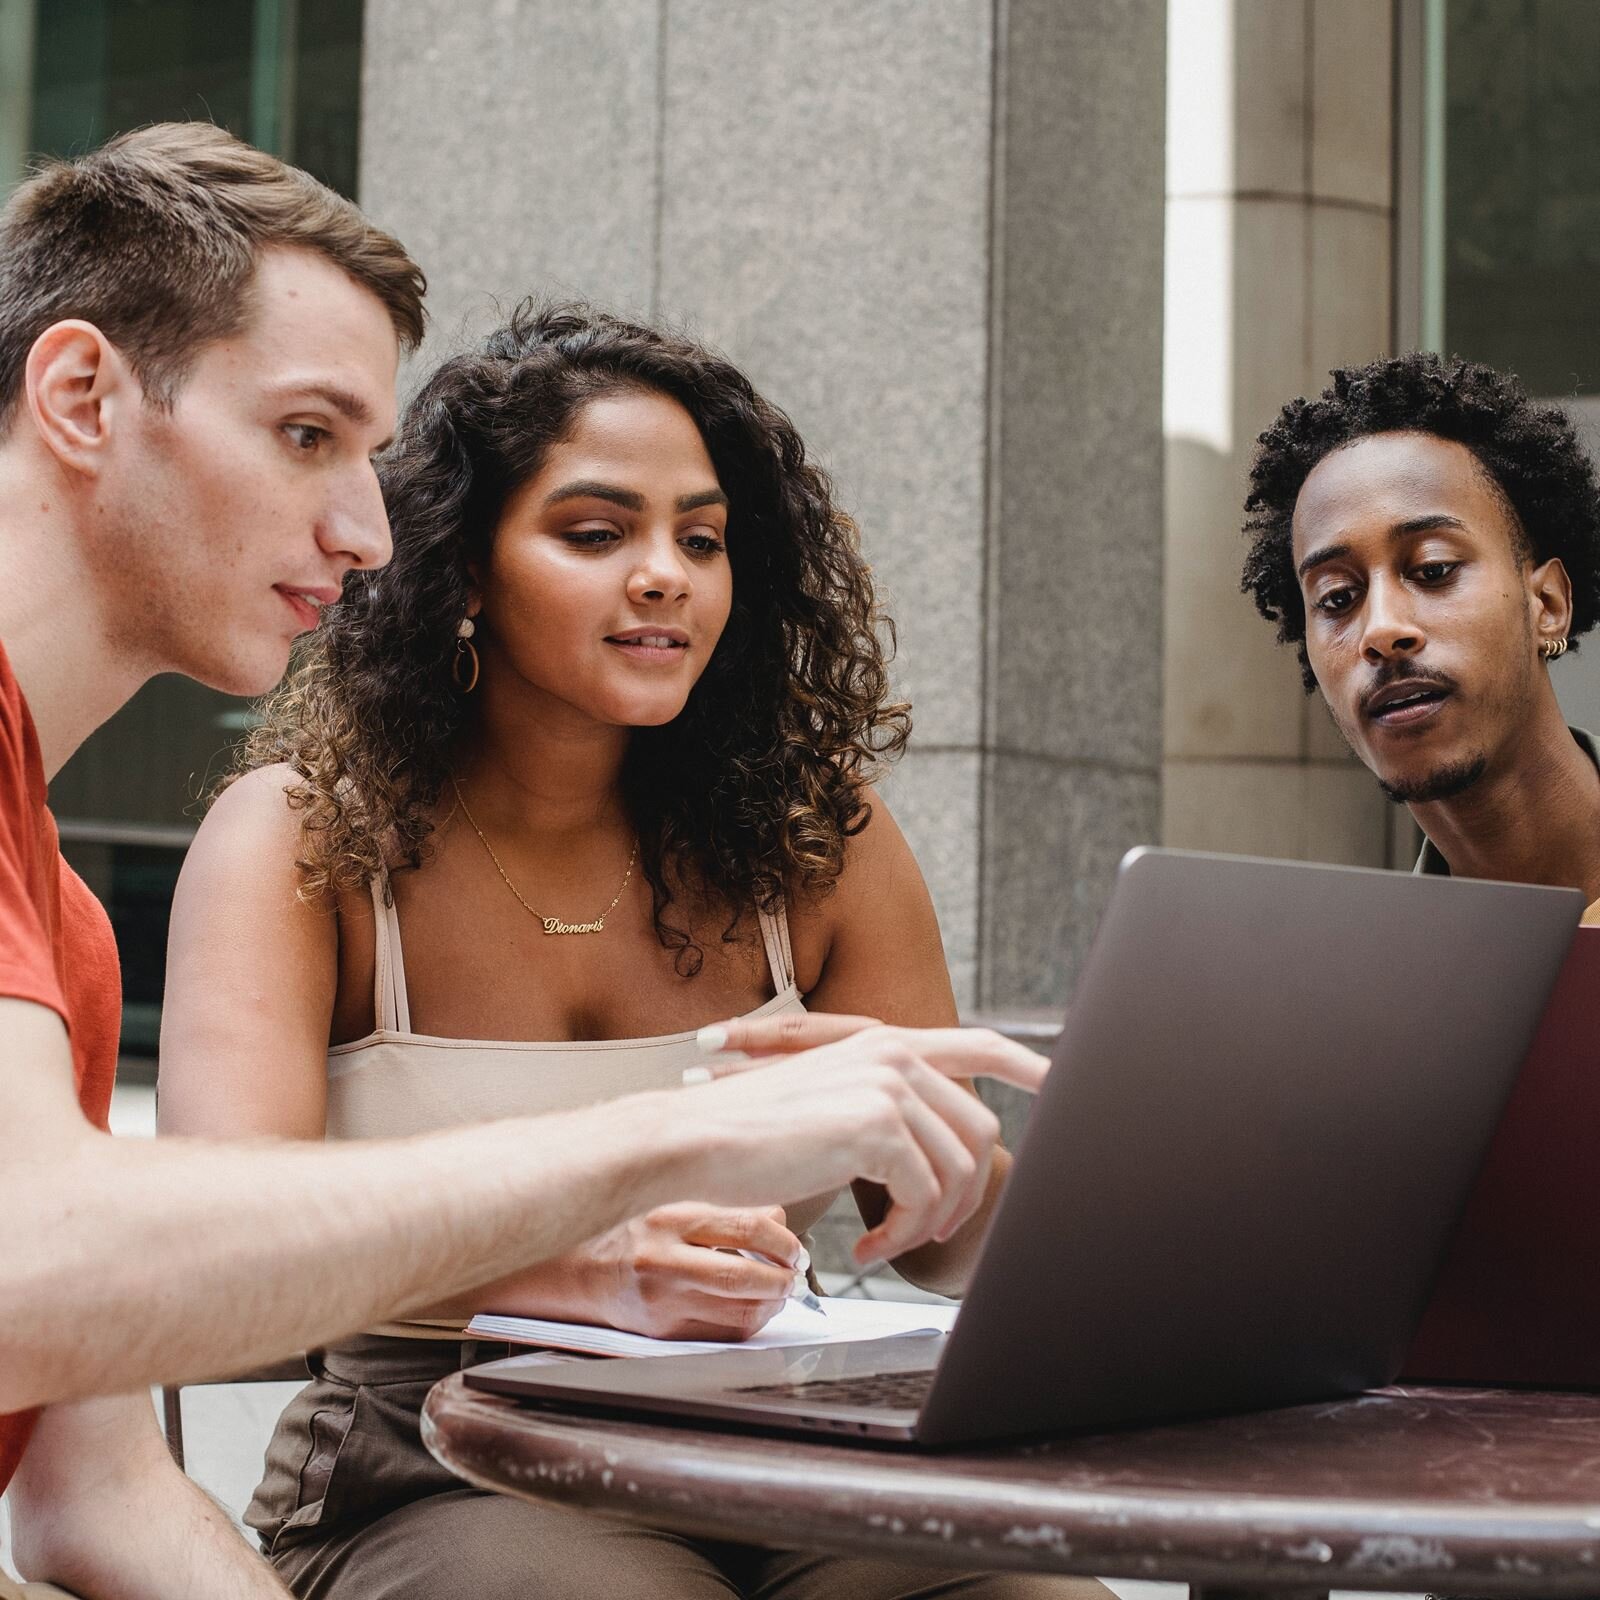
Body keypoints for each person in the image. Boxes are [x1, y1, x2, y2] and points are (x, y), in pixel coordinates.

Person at [0, 124, 1047, 1600]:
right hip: (440, 1451)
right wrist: (633, 1193)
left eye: (704, 539)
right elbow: (84, 1271)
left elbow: (92, 1493)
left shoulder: (62, 916)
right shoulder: (296, 837)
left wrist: (964, 1182)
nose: (364, 531)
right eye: (307, 435)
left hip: (786, 1436)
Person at [1240, 351, 1600, 908]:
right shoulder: (1366, 964)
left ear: (1547, 604)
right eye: (1337, 598)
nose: (1382, 630)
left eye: (1433, 570)